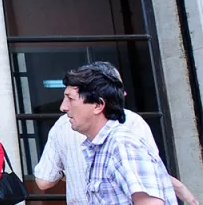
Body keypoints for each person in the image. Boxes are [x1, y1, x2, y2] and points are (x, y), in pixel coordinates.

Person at [35, 62, 196, 205]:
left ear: (98, 105)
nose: (63, 107)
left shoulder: (123, 143)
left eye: (70, 99)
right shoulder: (97, 147)